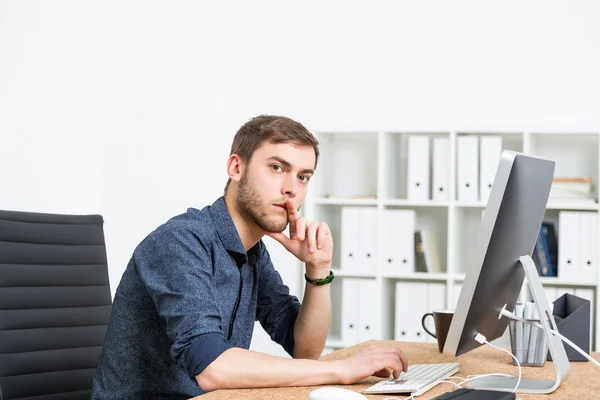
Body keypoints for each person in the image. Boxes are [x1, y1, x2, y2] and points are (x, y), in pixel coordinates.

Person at [91, 115, 408, 399]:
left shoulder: (252, 252)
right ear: (236, 168)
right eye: (277, 167)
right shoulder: (180, 242)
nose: (291, 189)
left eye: (303, 176)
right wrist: (342, 369)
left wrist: (318, 269)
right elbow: (212, 365)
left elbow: (305, 350)